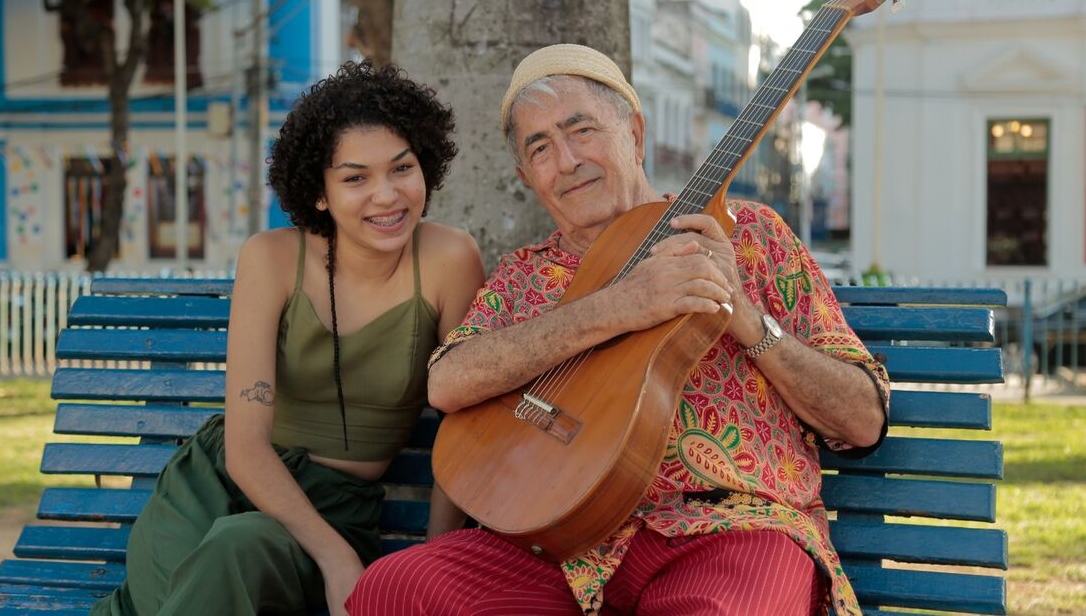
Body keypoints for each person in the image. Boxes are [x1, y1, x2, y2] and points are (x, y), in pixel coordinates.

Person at [346, 44, 889, 616]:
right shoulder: (526, 274)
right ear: (527, 176)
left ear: (634, 132)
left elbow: (861, 419)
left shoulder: (748, 234)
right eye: (541, 149)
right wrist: (615, 306)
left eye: (581, 130)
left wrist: (744, 316)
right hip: (557, 545)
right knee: (394, 589)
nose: (567, 160)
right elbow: (447, 381)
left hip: (733, 530)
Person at [91, 61, 485, 616]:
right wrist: (335, 560)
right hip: (214, 483)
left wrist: (435, 561)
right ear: (319, 192)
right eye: (355, 178)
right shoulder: (272, 258)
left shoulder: (449, 259)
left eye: (402, 168)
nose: (387, 195)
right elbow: (245, 447)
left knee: (236, 550)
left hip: (332, 509)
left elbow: (462, 425)